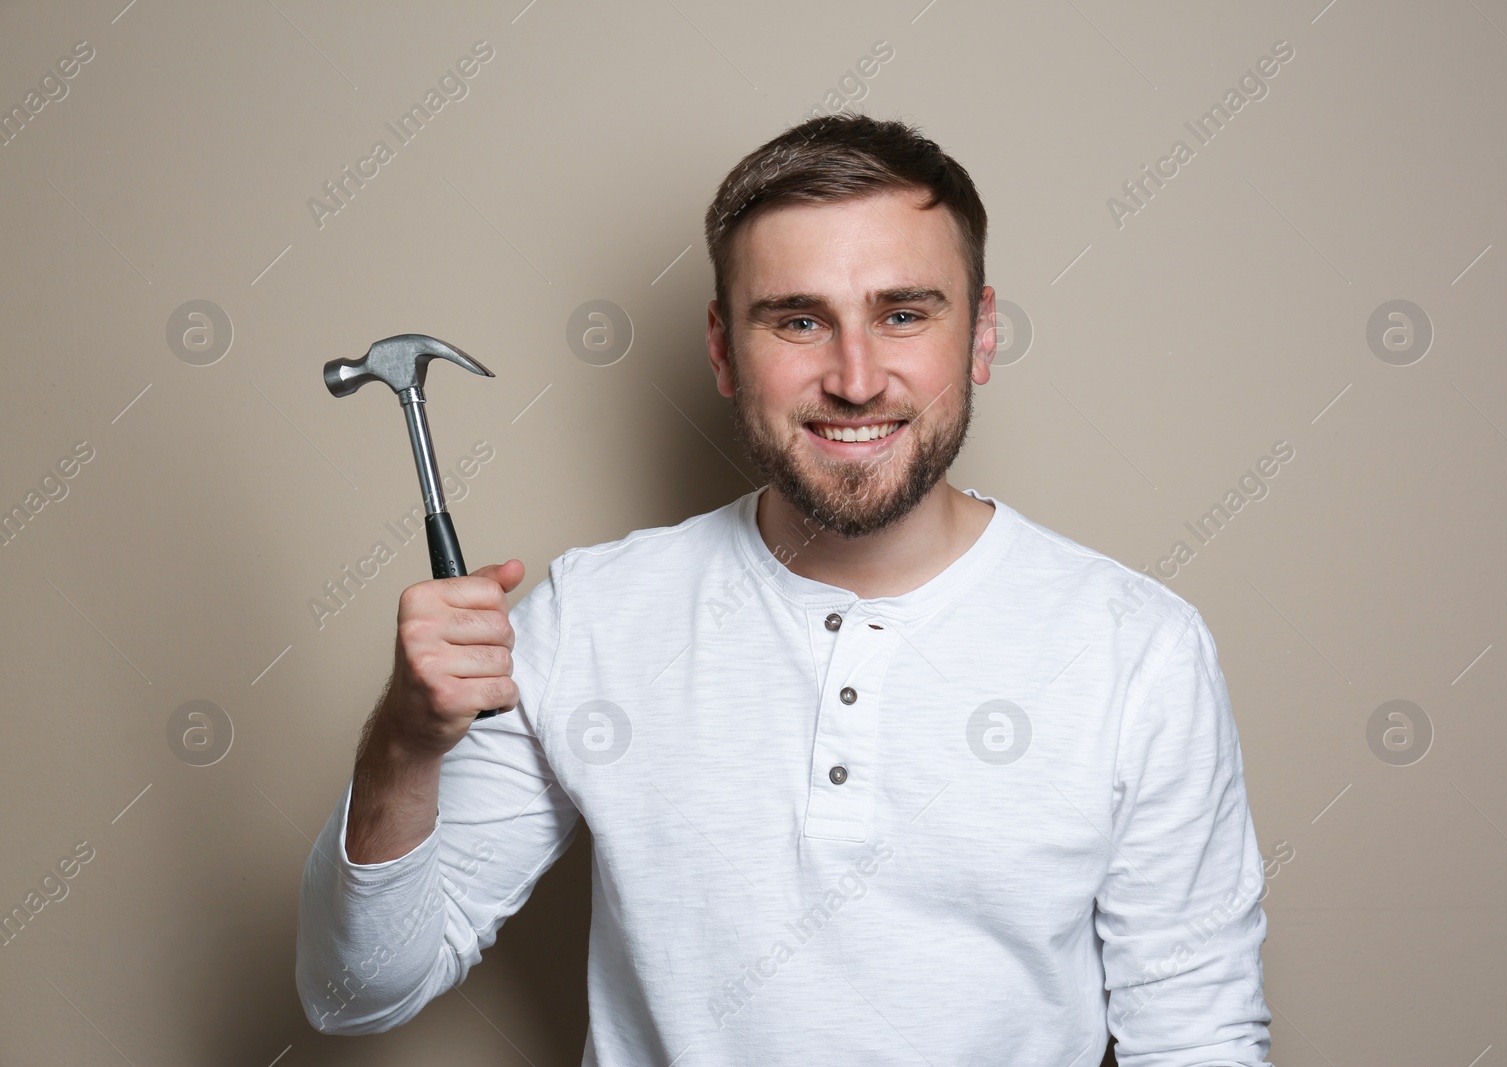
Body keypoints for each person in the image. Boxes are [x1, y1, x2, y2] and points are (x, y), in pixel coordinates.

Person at [296, 113, 1274, 1065]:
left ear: (980, 334)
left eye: (902, 312)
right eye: (798, 319)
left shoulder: (1135, 646)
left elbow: (1196, 1037)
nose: (855, 377)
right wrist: (405, 743)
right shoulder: (591, 616)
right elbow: (353, 992)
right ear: (723, 351)